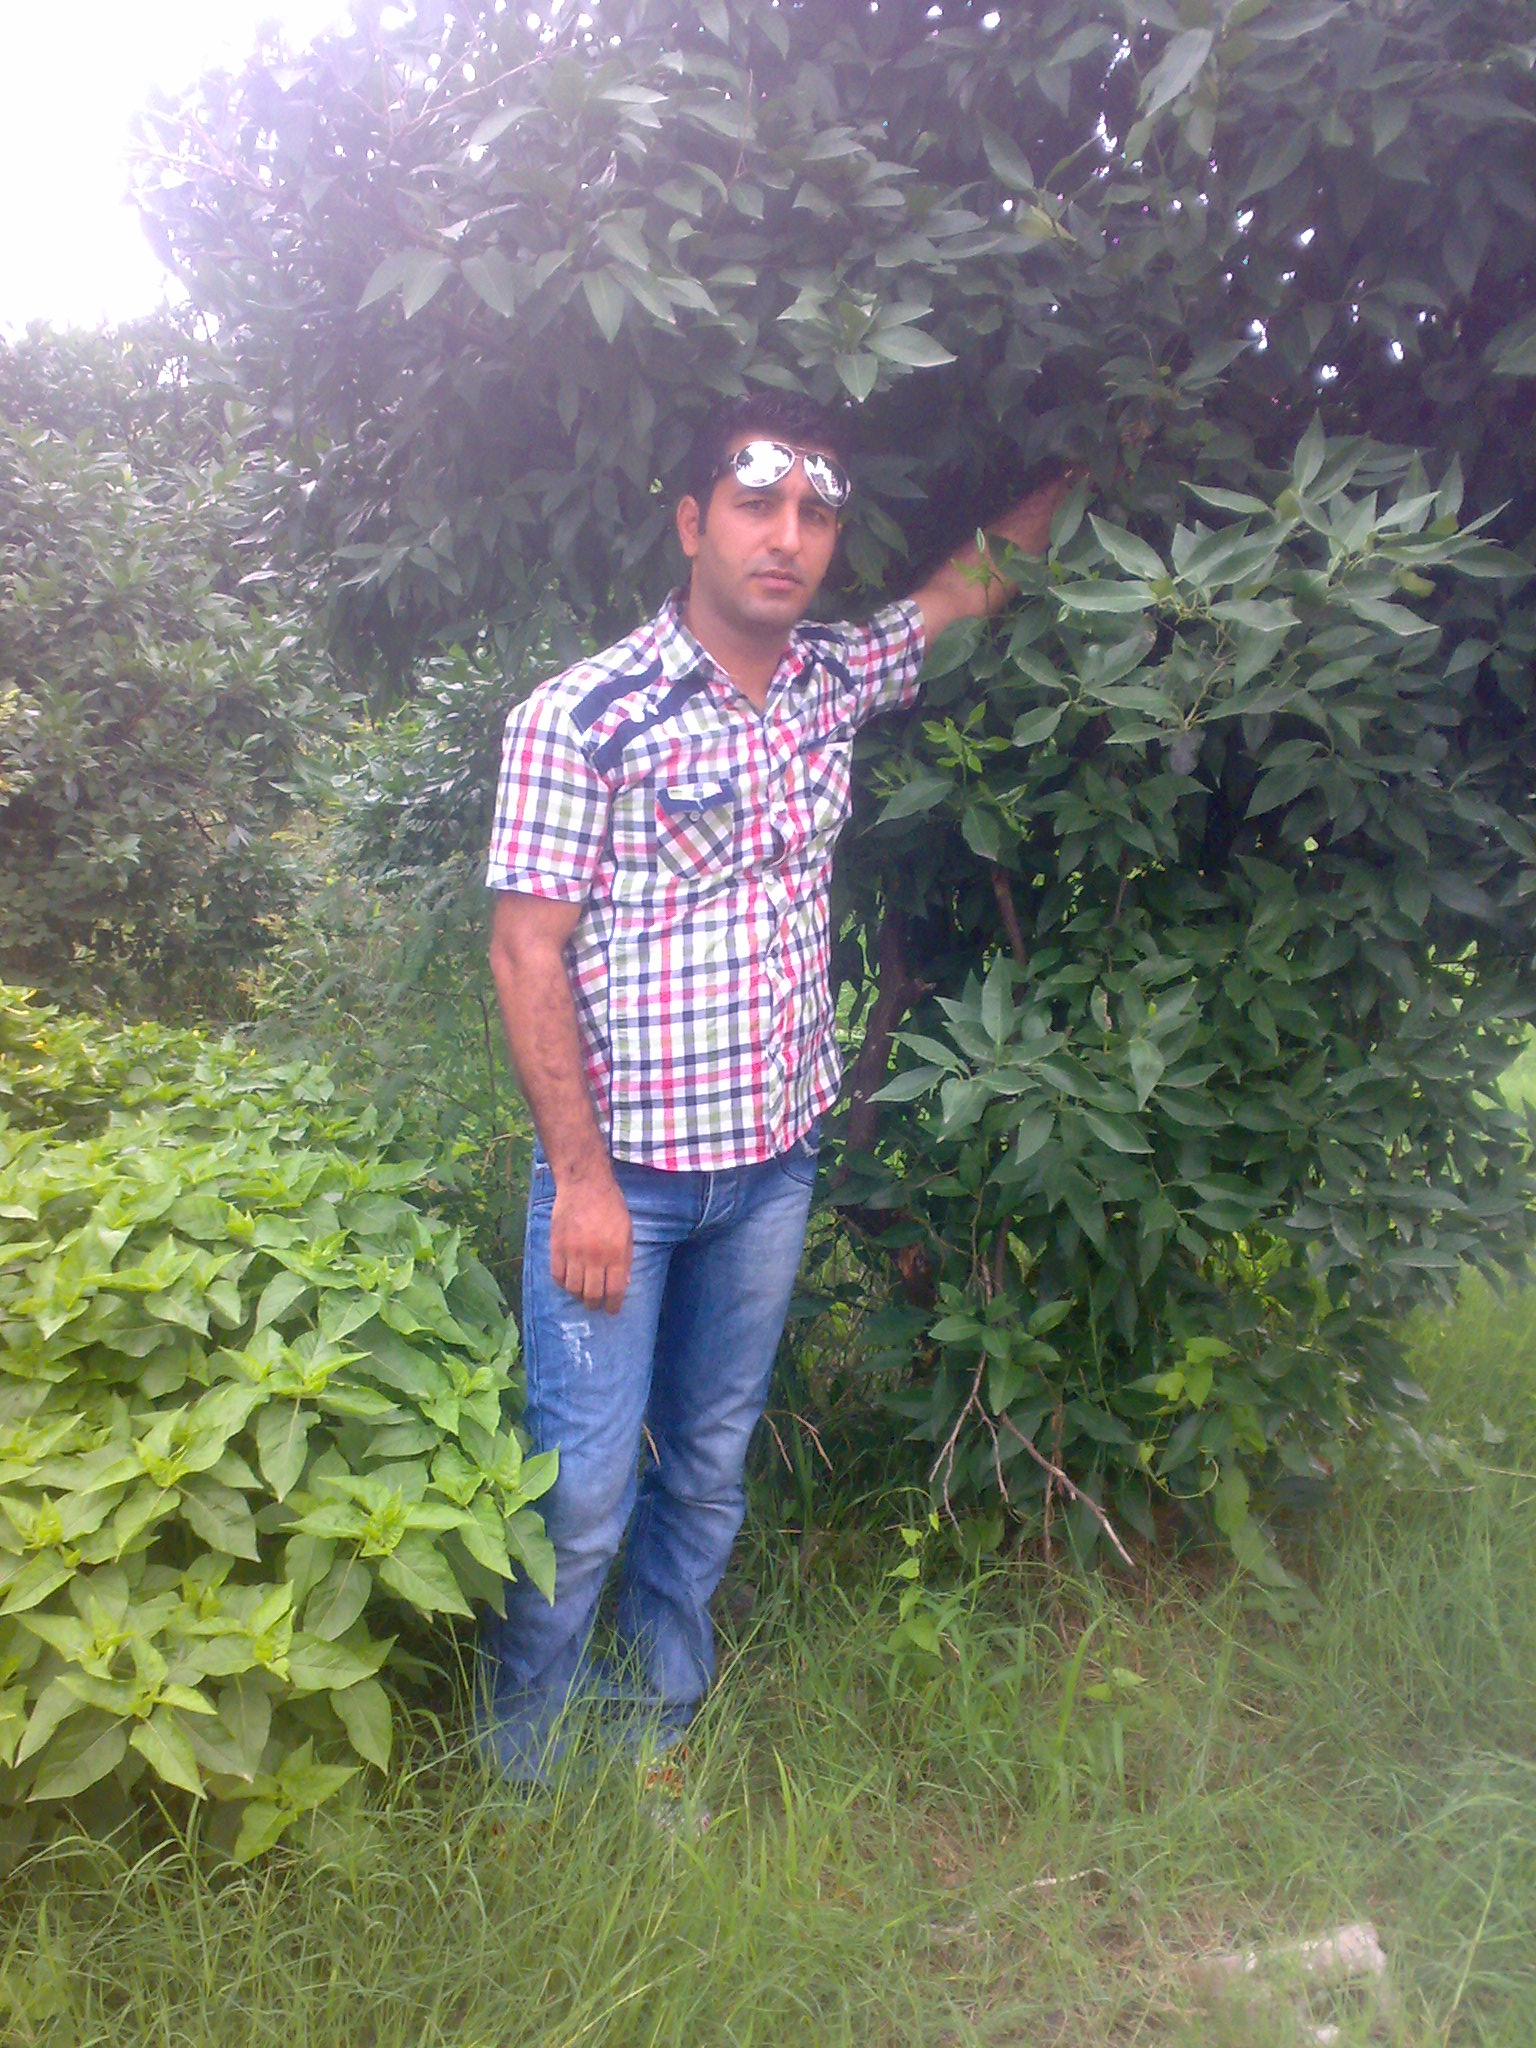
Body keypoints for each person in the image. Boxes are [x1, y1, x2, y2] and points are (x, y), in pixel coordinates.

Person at [480, 391, 1070, 1777]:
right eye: (756, 506)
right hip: (620, 1184)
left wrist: (1096, 457)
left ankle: (653, 1737)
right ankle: (524, 1770)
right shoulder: (584, 716)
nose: (786, 536)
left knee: (706, 1467)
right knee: (581, 1493)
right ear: (694, 524)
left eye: (813, 514)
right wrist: (580, 1183)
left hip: (771, 1173)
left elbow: (965, 587)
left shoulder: (831, 679)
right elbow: (523, 952)